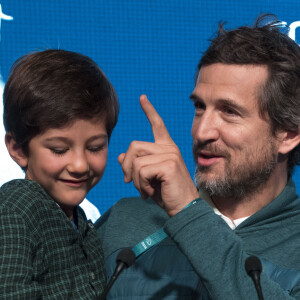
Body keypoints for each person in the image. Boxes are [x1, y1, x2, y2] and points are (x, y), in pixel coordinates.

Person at [96, 15, 300, 299]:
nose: (202, 131)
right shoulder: (125, 221)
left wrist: (187, 212)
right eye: (200, 107)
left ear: (288, 134)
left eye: (229, 112)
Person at [0, 49, 119, 299]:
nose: (79, 165)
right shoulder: (17, 208)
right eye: (59, 149)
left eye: (95, 147)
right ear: (18, 148)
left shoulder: (81, 220)